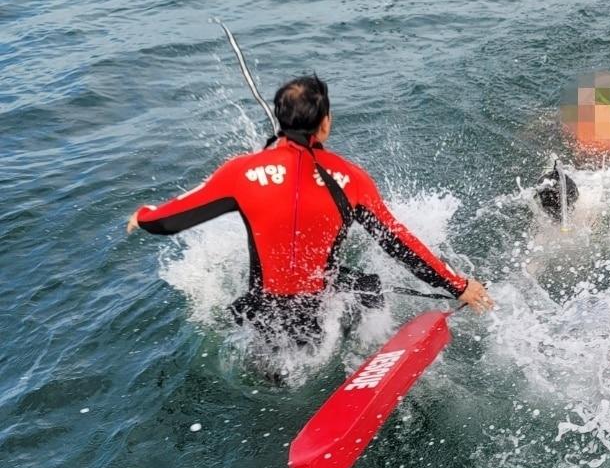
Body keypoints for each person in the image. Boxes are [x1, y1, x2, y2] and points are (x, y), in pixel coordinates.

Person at [127, 74, 493, 343]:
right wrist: (457, 285)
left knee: (272, 363)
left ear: (281, 122)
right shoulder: (350, 179)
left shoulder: (239, 172)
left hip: (261, 313)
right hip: (320, 313)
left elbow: (168, 220)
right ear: (325, 123)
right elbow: (399, 243)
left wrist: (142, 216)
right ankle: (370, 350)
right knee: (368, 286)